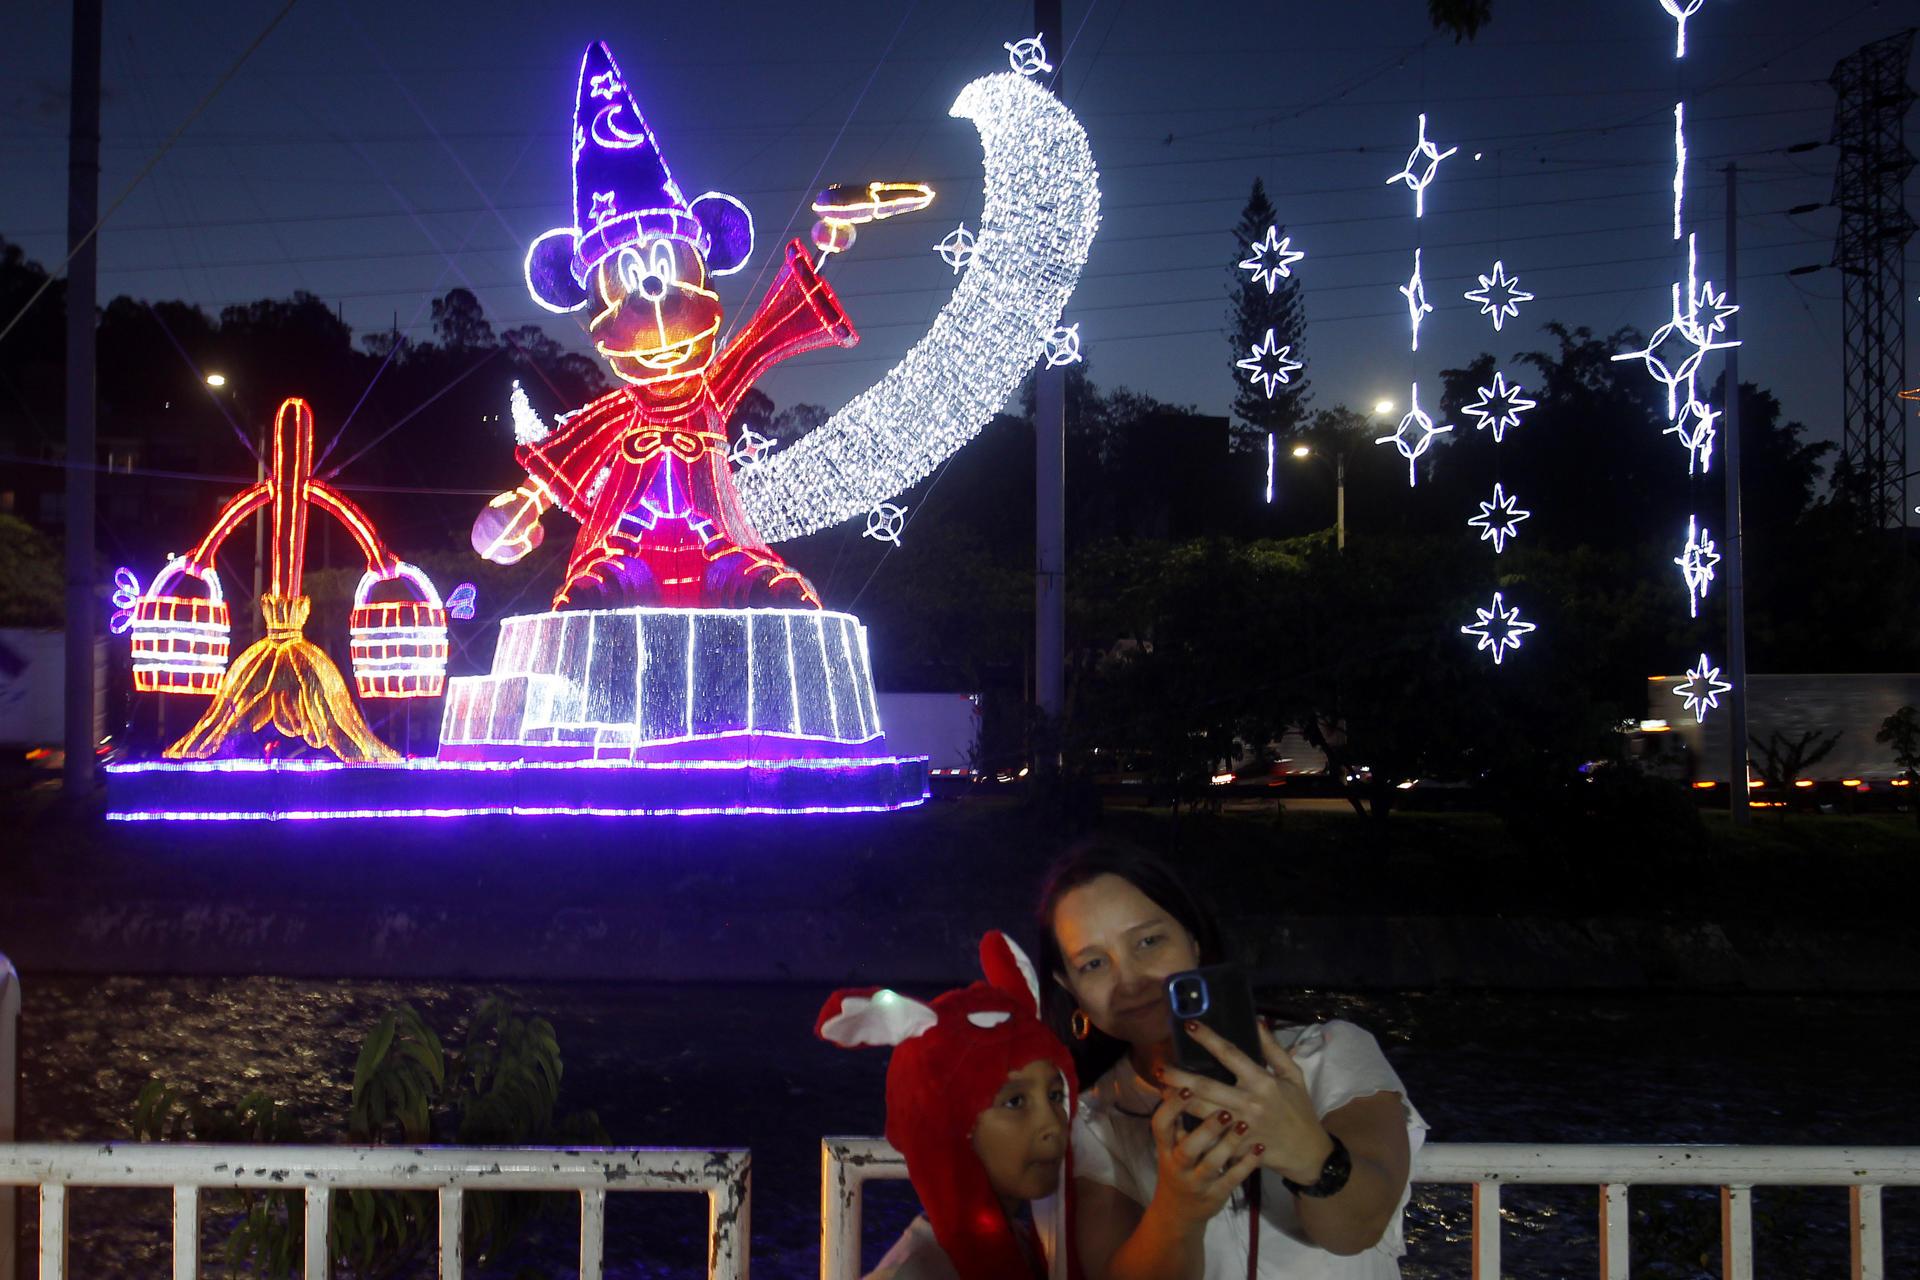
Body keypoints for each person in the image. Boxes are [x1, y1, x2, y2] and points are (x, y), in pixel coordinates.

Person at [1035, 843, 1427, 1280]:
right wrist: (1177, 1210)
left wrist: (1309, 1153)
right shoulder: (1093, 1119)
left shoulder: (1326, 1053)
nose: (1130, 981)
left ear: (1194, 940)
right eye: (1093, 963)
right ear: (1068, 986)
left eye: (1148, 941)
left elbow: (1360, 1228)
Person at [816, 931, 1085, 1280]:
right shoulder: (918, 1274)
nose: (1052, 1123)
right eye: (1015, 1101)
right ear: (944, 1124)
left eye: (1056, 1095)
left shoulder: (1020, 1246)